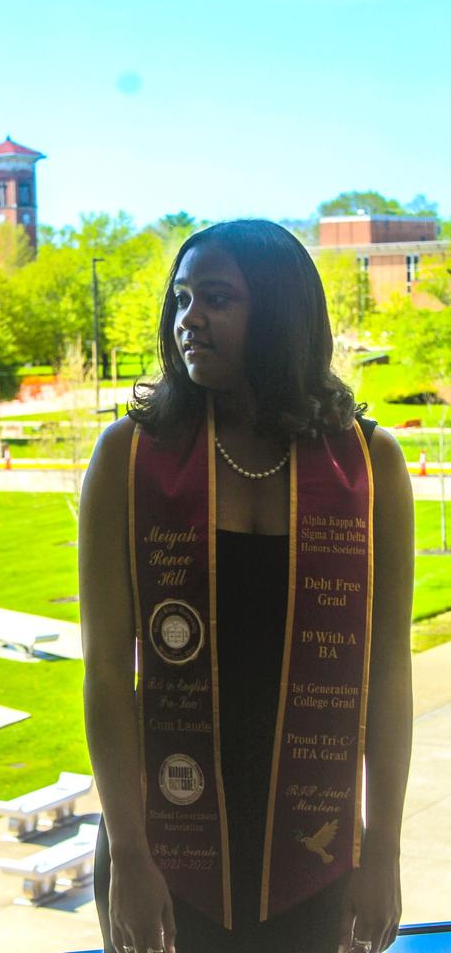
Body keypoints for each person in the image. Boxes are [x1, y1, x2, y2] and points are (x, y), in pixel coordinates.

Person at [79, 220, 413, 953]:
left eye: (217, 299)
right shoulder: (128, 461)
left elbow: (386, 673)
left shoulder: (369, 469)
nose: (188, 319)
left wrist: (382, 848)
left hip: (315, 847)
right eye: (182, 299)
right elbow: (106, 672)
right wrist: (127, 856)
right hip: (164, 845)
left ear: (281, 314)